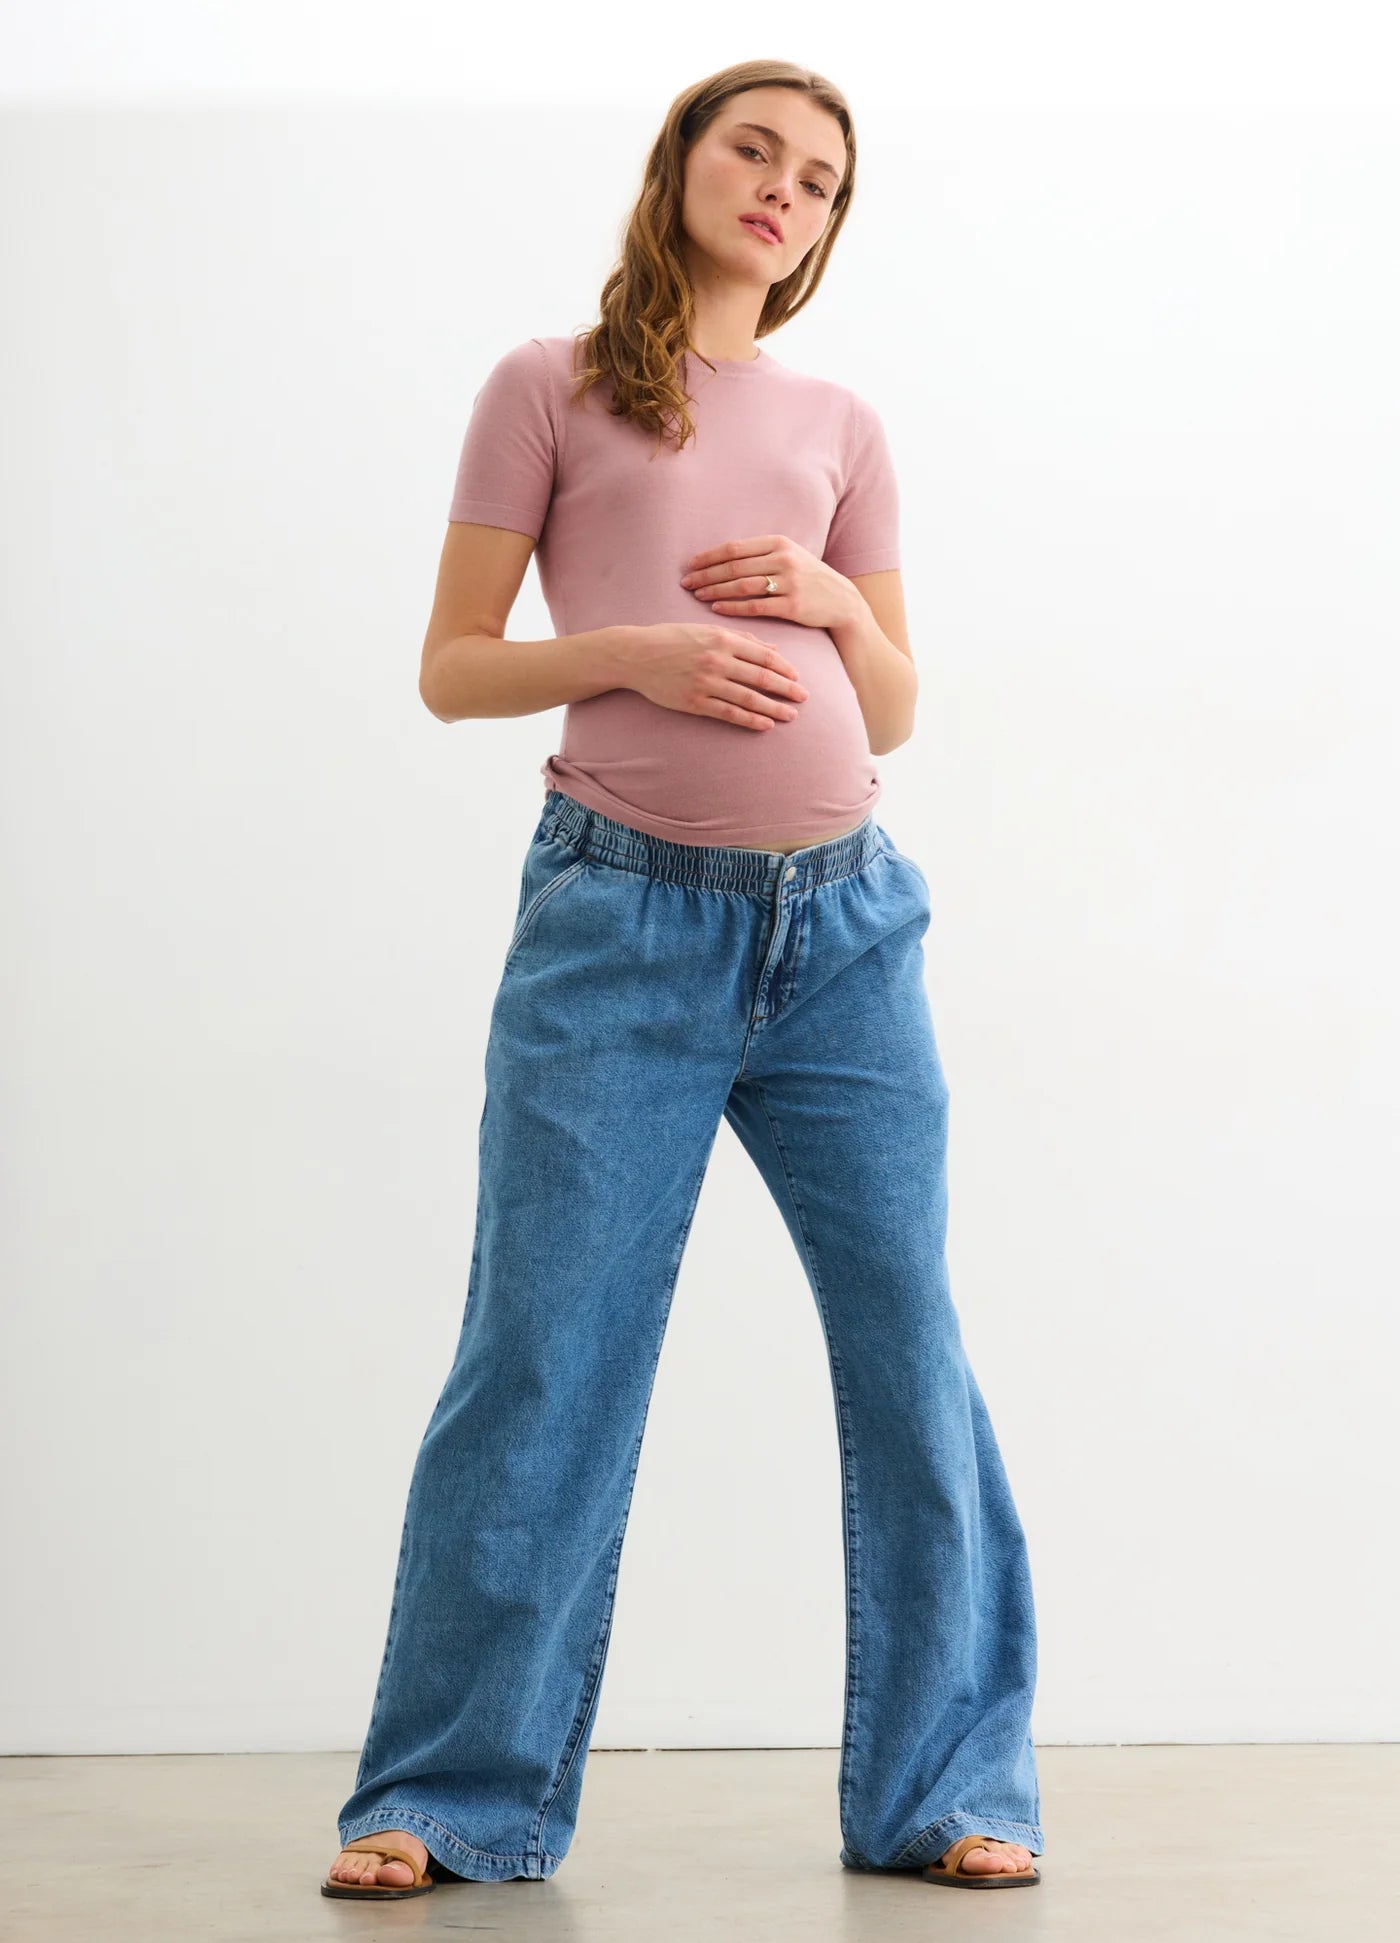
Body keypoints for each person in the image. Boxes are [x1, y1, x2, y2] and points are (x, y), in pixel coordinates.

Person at [322, 58, 1043, 1901]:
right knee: (543, 1353)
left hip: (847, 935)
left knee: (910, 1352)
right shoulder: (546, 385)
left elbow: (895, 708)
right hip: (619, 927)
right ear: (684, 164)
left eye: (822, 180)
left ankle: (948, 1789)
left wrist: (840, 606)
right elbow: (453, 667)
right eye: (756, 150)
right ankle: (449, 1794)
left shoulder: (841, 420)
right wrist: (632, 652)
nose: (785, 189)